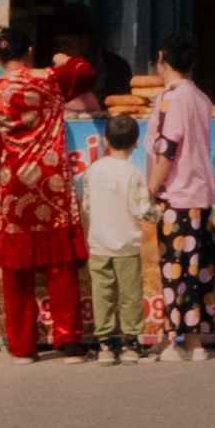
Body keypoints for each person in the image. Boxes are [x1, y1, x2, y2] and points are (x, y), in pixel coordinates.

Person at [0, 27, 92, 358]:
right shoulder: (51, 80)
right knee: (60, 266)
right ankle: (69, 340)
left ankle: (23, 347)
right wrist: (65, 58)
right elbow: (86, 72)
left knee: (16, 272)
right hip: (52, 187)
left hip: (15, 192)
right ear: (29, 51)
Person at [144, 40, 215, 362]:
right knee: (194, 270)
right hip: (199, 196)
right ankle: (196, 343)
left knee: (173, 272)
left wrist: (150, 190)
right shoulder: (201, 98)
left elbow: (167, 148)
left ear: (161, 58)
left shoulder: (172, 98)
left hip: (176, 196)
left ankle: (172, 343)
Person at [83, 112, 151, 364]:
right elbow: (141, 210)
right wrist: (159, 212)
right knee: (130, 294)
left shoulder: (94, 170)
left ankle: (105, 345)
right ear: (136, 142)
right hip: (126, 246)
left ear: (105, 141)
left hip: (99, 244)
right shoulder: (134, 174)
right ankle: (131, 344)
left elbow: (87, 205)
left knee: (103, 293)